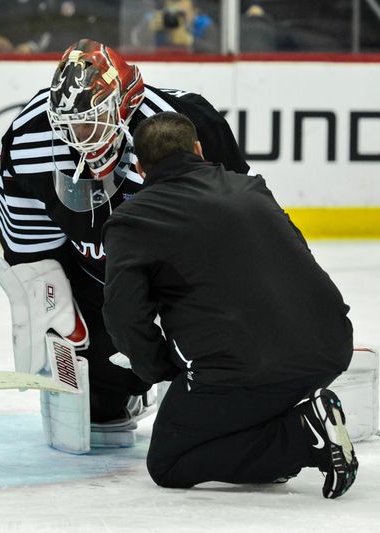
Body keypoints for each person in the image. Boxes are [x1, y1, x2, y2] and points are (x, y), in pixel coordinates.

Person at [0, 38, 249, 452]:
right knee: (101, 410)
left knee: (226, 388)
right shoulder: (29, 136)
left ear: (127, 103)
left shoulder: (181, 127)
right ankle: (124, 385)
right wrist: (60, 320)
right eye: (70, 124)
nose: (80, 136)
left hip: (181, 269)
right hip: (98, 273)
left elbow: (240, 223)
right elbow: (31, 248)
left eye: (94, 120)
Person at [101, 112, 357, 498]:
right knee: (239, 405)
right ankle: (294, 428)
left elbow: (124, 316)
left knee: (170, 461)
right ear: (199, 150)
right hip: (332, 347)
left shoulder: (132, 220)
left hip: (248, 368)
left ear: (139, 167)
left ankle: (303, 434)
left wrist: (162, 369)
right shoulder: (250, 187)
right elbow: (299, 254)